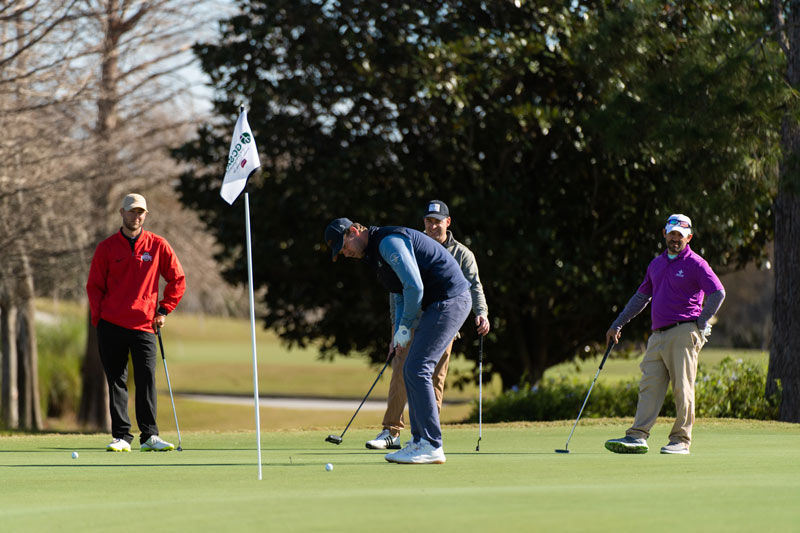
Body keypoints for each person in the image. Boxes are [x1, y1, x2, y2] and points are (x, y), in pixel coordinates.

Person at [324, 217, 471, 464]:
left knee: (417, 368)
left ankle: (431, 444)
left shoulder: (389, 242)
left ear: (353, 231)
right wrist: (398, 336)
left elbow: (415, 287)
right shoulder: (374, 255)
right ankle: (418, 442)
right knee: (410, 368)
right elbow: (401, 294)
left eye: (344, 246)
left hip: (450, 300)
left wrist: (404, 330)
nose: (345, 253)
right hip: (438, 304)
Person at [365, 200, 490, 450]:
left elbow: (473, 285)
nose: (432, 226)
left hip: (442, 320)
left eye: (437, 221)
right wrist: (396, 325)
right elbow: (396, 288)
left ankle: (423, 436)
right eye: (428, 221)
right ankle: (391, 431)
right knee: (401, 372)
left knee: (434, 377)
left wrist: (482, 312)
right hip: (410, 321)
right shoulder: (408, 244)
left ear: (448, 222)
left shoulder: (463, 253)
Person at [604, 214, 725, 455]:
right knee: (649, 386)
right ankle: (637, 435)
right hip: (657, 335)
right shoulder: (656, 264)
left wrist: (700, 324)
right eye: (671, 234)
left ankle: (681, 440)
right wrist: (618, 324)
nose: (675, 239)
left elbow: (718, 293)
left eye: (680, 235)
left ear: (689, 237)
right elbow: (641, 298)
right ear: (664, 234)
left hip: (684, 332)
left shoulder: (696, 263)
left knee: (683, 388)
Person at [87, 193, 186, 452]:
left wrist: (164, 309)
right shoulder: (106, 248)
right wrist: (99, 318)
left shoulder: (158, 245)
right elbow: (94, 286)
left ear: (146, 215)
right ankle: (121, 436)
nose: (136, 216)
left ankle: (149, 436)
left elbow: (177, 280)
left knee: (145, 380)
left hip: (144, 325)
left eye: (140, 212)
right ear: (121, 213)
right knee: (117, 381)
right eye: (131, 211)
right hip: (111, 324)